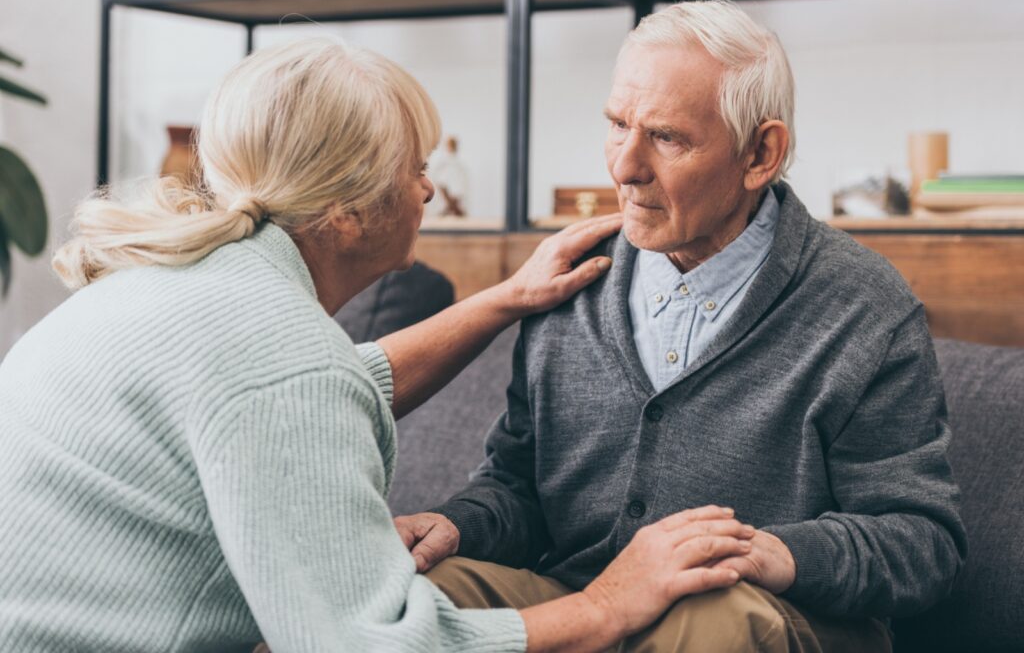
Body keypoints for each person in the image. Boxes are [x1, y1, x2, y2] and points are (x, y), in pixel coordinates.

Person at [0, 39, 758, 653]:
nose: (428, 192)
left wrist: (502, 299)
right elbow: (373, 646)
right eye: (415, 169)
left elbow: (334, 386)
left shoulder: (184, 285)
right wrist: (606, 606)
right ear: (347, 214)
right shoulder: (280, 360)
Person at [397, 0, 967, 652]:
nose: (623, 167)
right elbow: (518, 486)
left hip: (760, 615)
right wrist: (456, 524)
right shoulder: (570, 279)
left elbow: (925, 545)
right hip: (581, 602)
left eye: (667, 138)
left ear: (761, 153)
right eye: (617, 125)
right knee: (409, 595)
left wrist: (776, 552)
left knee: (712, 615)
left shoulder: (862, 305)